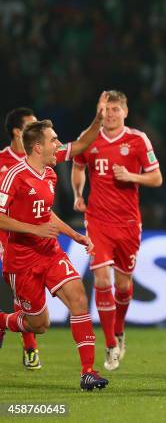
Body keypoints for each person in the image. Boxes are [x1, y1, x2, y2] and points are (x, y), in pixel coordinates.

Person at [0, 93, 107, 369]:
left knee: (79, 298)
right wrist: (33, 229)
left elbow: (45, 214)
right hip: (21, 260)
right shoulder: (12, 176)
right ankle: (4, 321)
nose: (58, 144)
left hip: (49, 252)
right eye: (54, 140)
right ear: (37, 148)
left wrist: (75, 235)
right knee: (39, 324)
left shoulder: (50, 172)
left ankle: (88, 372)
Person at [71, 90, 163, 371]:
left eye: (115, 109)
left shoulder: (137, 140)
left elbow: (157, 178)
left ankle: (119, 329)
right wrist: (78, 193)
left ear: (125, 112)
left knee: (123, 285)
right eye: (105, 109)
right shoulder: (90, 138)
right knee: (101, 279)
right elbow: (77, 166)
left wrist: (131, 176)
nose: (110, 114)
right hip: (97, 220)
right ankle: (110, 343)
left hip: (128, 223)